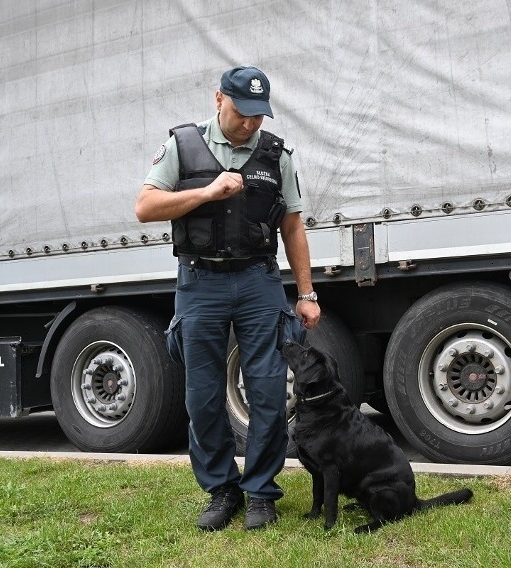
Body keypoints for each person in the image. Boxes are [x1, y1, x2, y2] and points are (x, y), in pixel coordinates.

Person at [135, 65, 321, 531]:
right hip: (201, 283)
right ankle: (222, 489)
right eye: (242, 113)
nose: (251, 124)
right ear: (218, 99)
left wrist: (306, 293)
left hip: (259, 282)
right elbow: (145, 206)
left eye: (259, 115)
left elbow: (293, 227)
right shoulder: (182, 145)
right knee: (202, 397)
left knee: (266, 390)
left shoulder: (277, 153)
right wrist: (207, 191)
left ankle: (260, 493)